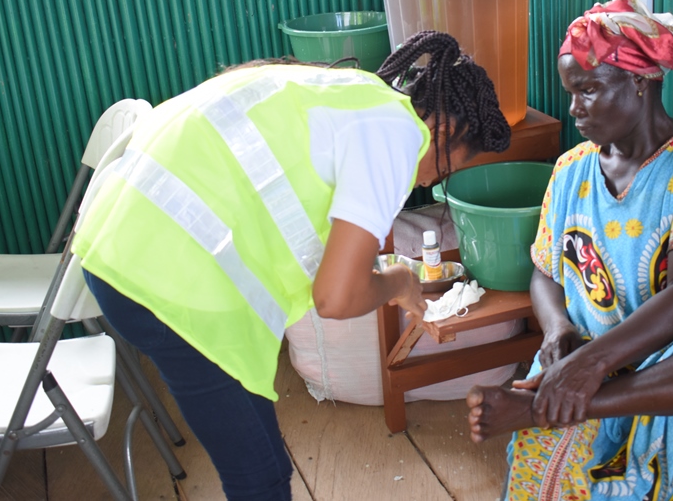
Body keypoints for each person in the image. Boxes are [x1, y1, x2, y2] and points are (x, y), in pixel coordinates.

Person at [71, 30, 511, 501]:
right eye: (444, 169)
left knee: (266, 465)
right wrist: (400, 282)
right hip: (163, 281)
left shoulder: (348, 91)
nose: (430, 180)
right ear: (444, 132)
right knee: (259, 479)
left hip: (117, 243)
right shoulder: (398, 134)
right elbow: (336, 298)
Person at [466, 0, 673, 501]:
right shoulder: (571, 169)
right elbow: (545, 272)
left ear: (641, 83)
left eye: (590, 90)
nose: (574, 108)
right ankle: (566, 403)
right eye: (571, 93)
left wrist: (589, 369)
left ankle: (550, 406)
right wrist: (559, 330)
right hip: (581, 350)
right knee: (556, 468)